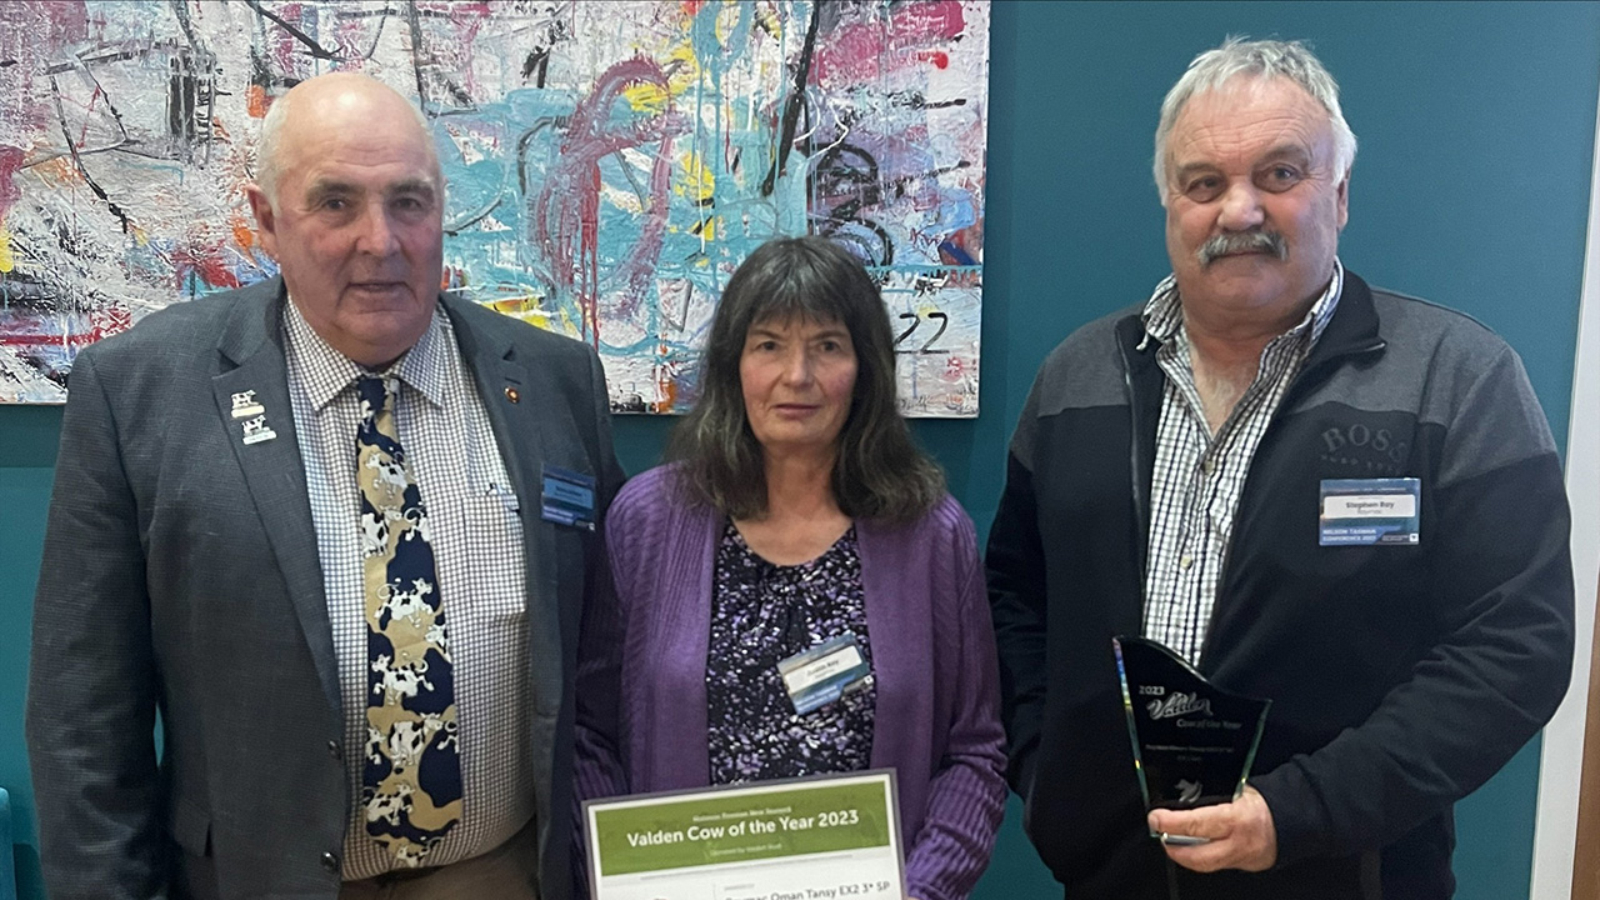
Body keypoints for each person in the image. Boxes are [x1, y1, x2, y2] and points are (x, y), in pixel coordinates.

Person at [986, 38, 1574, 900]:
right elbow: (1012, 599)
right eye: (1203, 183)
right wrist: (1051, 774)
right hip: (1115, 874)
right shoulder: (1075, 379)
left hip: (1350, 873)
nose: (1239, 210)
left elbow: (1515, 645)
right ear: (1169, 205)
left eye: (1280, 173)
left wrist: (1300, 812)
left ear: (1339, 193)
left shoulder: (1458, 380)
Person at [27, 72, 623, 900]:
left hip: (499, 875)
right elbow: (82, 725)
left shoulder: (557, 384)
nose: (380, 241)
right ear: (266, 220)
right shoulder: (139, 394)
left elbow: (606, 660)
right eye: (336, 203)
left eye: (409, 202)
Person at [575, 236, 1007, 900]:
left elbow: (973, 754)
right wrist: (626, 879)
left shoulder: (931, 535)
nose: (797, 376)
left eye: (828, 346)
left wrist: (921, 892)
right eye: (769, 344)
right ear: (733, 365)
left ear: (866, 369)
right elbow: (587, 734)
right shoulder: (647, 522)